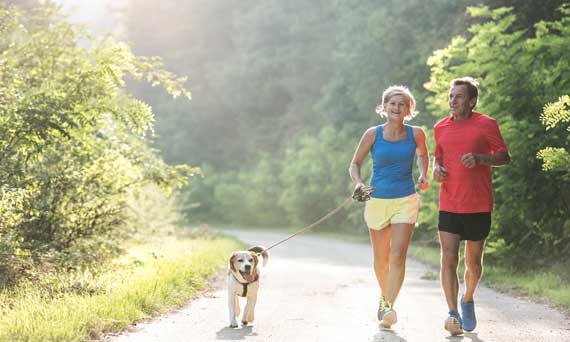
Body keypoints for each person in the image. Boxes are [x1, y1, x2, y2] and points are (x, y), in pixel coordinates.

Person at [433, 77, 511, 335]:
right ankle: (452, 312)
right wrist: (436, 169)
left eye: (459, 96)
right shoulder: (441, 127)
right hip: (449, 201)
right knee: (448, 259)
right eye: (451, 96)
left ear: (472, 100)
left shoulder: (486, 124)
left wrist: (480, 158)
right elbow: (439, 156)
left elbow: (504, 156)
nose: (453, 101)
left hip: (478, 203)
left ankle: (467, 299)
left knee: (473, 264)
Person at [349, 85, 429, 328]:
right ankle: (385, 298)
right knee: (381, 258)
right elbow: (354, 163)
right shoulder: (373, 134)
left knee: (398, 255)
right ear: (384, 107)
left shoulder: (416, 133)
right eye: (392, 104)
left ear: (408, 109)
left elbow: (423, 155)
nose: (396, 108)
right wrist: (359, 183)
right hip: (377, 200)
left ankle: (388, 305)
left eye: (401, 104)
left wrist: (424, 175)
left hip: (406, 199)